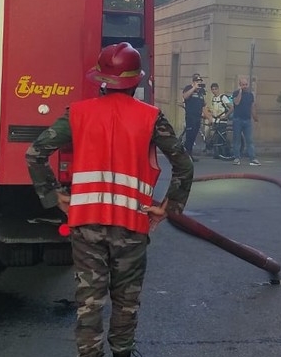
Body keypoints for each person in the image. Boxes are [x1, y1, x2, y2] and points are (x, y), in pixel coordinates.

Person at [25, 42, 194, 357]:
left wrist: (53, 195)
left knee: (89, 299)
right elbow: (183, 165)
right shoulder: (151, 117)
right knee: (126, 300)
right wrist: (168, 207)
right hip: (131, 224)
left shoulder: (77, 113)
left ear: (101, 79)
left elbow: (35, 153)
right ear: (136, 81)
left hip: (86, 223)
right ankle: (122, 352)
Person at [231, 76, 259, 166]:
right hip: (237, 119)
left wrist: (255, 117)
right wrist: (240, 91)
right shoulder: (235, 93)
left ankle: (252, 158)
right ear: (240, 85)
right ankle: (237, 158)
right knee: (237, 140)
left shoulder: (250, 95)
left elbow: (252, 107)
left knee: (249, 140)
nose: (245, 86)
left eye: (246, 84)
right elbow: (236, 102)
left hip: (247, 120)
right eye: (243, 85)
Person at [204, 82, 233, 158]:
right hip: (216, 120)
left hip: (222, 120)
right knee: (216, 137)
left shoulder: (223, 97)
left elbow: (232, 108)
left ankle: (226, 153)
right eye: (212, 89)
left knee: (221, 137)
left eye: (215, 89)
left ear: (218, 89)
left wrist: (226, 116)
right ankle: (218, 153)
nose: (214, 91)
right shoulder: (213, 98)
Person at [182, 73, 207, 161]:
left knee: (193, 136)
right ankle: (185, 156)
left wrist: (206, 114)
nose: (199, 83)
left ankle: (189, 154)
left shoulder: (201, 91)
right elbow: (185, 96)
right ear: (193, 82)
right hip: (190, 116)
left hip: (198, 117)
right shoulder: (188, 88)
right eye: (197, 81)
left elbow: (203, 104)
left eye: (200, 81)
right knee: (189, 136)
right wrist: (193, 88)